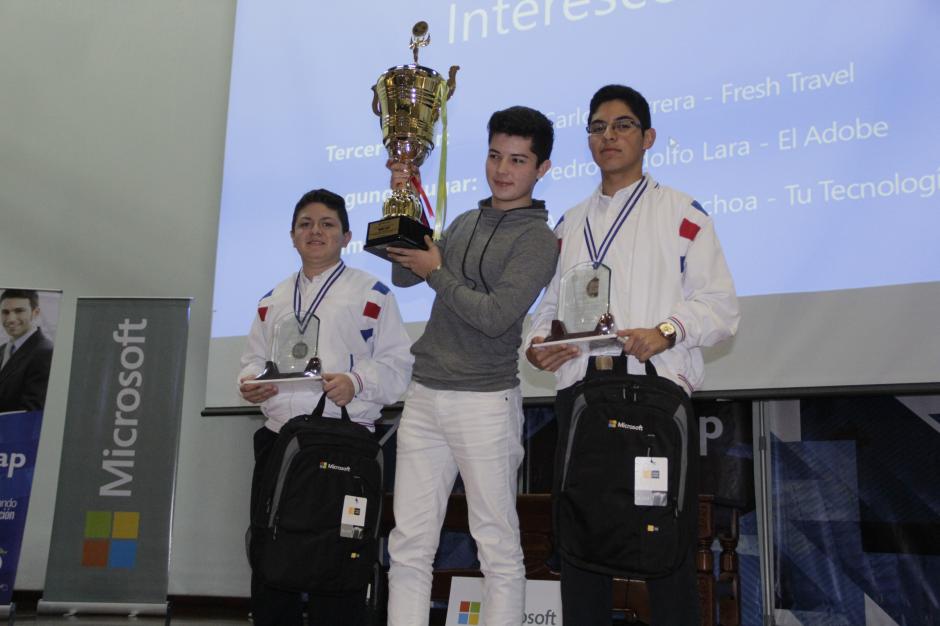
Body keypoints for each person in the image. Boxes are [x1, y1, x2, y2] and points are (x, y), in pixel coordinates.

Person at [525, 84, 740, 626]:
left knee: (664, 551)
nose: (608, 136)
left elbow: (720, 307)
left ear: (647, 138)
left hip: (654, 398)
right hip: (581, 398)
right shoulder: (569, 223)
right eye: (597, 127)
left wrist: (667, 330)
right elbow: (549, 304)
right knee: (581, 549)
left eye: (621, 125)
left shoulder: (682, 212)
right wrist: (540, 343)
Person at [384, 106, 559, 626]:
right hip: (425, 395)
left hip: (485, 401)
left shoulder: (538, 240)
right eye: (494, 155)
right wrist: (404, 202)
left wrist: (436, 269)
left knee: (497, 546)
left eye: (518, 160)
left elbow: (495, 317)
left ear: (541, 169)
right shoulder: (463, 220)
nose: (502, 169)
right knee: (409, 545)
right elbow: (404, 279)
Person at [237, 188, 413, 626]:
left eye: (327, 224)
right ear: (292, 236)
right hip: (281, 445)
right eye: (305, 224)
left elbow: (397, 366)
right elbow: (252, 364)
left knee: (340, 558)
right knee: (272, 552)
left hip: (345, 446)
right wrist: (251, 385)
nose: (315, 231)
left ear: (346, 236)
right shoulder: (269, 302)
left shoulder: (372, 294)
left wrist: (355, 382)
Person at [0, 288, 54, 413]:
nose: (11, 319)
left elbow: (30, 412)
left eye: (19, 311)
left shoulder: (45, 352)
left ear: (35, 313)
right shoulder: (3, 350)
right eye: (5, 312)